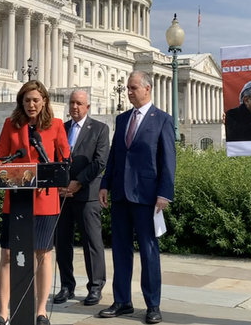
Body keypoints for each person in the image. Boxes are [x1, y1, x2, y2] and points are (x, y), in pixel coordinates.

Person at [98, 71, 175, 325]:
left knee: (149, 252)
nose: (129, 92)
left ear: (147, 89)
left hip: (147, 196)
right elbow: (115, 155)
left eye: (133, 88)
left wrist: (165, 192)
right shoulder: (121, 120)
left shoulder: (162, 120)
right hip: (120, 194)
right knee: (120, 251)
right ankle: (122, 301)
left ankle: (153, 304)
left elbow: (168, 160)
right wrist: (105, 184)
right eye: (127, 88)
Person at [0, 80, 69, 325]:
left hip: (45, 201)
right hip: (16, 201)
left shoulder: (56, 126)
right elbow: (1, 159)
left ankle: (40, 311)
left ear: (44, 101)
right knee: (7, 254)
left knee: (43, 254)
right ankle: (3, 313)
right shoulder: (10, 124)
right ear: (21, 102)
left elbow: (64, 160)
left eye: (36, 100)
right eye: (27, 100)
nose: (31, 104)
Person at [54, 89, 109, 307]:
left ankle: (95, 287)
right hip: (62, 195)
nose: (75, 107)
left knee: (92, 242)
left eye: (79, 103)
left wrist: (78, 183)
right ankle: (66, 285)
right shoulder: (62, 128)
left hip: (86, 195)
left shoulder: (100, 129)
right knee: (62, 242)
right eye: (72, 103)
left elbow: (100, 162)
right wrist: (59, 183)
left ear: (87, 107)